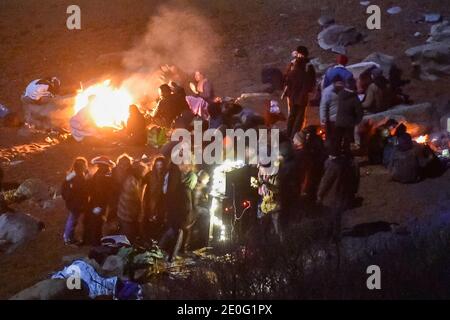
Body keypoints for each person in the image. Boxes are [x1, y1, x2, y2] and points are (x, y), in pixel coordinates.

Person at [317, 152, 360, 242]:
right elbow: (354, 178)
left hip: (331, 197)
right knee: (337, 218)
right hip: (341, 196)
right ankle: (336, 236)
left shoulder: (334, 166)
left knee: (330, 218)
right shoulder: (348, 164)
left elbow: (326, 182)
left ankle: (330, 237)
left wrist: (320, 194)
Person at [283, 46, 316, 139]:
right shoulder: (308, 66)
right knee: (299, 117)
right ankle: (294, 136)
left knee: (292, 115)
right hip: (302, 95)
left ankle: (289, 135)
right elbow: (311, 80)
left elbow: (286, 77)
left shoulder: (293, 64)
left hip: (292, 94)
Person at [84, 156, 114, 246]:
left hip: (98, 202)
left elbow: (103, 191)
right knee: (95, 221)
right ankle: (93, 240)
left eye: (100, 165)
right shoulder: (103, 173)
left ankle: (94, 240)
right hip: (96, 202)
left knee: (96, 222)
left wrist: (99, 205)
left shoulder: (104, 174)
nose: (98, 166)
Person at [117, 161, 147, 243]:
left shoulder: (135, 179)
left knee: (127, 233)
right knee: (127, 234)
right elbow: (134, 198)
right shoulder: (131, 181)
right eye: (142, 171)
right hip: (126, 212)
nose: (143, 173)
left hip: (127, 212)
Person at [61, 157, 89, 246]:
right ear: (82, 166)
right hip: (76, 203)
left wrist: (67, 198)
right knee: (73, 219)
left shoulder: (71, 175)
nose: (86, 167)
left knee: (72, 218)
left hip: (71, 202)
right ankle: (68, 238)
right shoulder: (79, 177)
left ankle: (68, 236)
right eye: (85, 165)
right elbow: (82, 191)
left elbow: (64, 187)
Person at [334, 78, 364, 154]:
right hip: (349, 123)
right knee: (347, 141)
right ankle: (346, 156)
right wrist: (357, 121)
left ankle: (337, 154)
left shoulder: (340, 94)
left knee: (338, 140)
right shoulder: (354, 98)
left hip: (339, 121)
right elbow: (359, 112)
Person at [143, 156, 167, 241]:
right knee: (149, 222)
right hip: (150, 201)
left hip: (162, 202)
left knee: (159, 222)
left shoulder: (166, 175)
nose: (159, 167)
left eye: (161, 165)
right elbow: (142, 183)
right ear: (155, 165)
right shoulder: (150, 175)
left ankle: (157, 241)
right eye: (157, 165)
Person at [108, 154, 133, 234]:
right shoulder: (114, 171)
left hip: (123, 199)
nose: (124, 166)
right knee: (114, 218)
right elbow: (111, 184)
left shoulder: (130, 171)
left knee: (121, 219)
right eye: (122, 163)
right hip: (116, 198)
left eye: (126, 164)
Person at [320, 75, 344, 150]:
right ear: (334, 83)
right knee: (330, 139)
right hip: (330, 120)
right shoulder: (328, 92)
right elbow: (323, 106)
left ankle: (336, 152)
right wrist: (323, 120)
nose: (340, 86)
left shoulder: (342, 90)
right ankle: (329, 153)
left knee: (338, 138)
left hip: (339, 119)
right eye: (338, 84)